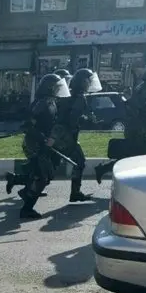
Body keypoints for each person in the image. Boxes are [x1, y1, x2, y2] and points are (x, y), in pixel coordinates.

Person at [94, 63, 146, 183]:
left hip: (137, 127)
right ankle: (105, 169)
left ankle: (104, 169)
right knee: (137, 156)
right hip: (138, 129)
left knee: (133, 156)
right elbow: (145, 108)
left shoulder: (144, 87)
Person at [17, 74, 71, 219]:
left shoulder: (51, 101)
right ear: (50, 88)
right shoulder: (41, 104)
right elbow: (27, 126)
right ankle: (26, 209)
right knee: (42, 177)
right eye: (57, 87)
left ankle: (24, 191)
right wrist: (43, 138)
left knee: (44, 175)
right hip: (35, 144)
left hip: (45, 144)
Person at [55, 68, 102, 202]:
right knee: (79, 161)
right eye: (88, 81)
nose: (89, 84)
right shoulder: (80, 98)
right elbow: (73, 119)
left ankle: (17, 179)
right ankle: (75, 193)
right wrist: (89, 121)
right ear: (82, 82)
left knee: (52, 165)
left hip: (60, 134)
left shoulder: (69, 94)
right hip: (67, 136)